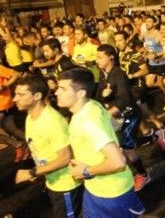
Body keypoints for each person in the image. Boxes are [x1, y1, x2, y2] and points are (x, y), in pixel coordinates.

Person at [56, 68, 145, 217]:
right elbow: (115, 124)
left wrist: (85, 171)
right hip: (94, 189)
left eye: (63, 89)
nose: (57, 92)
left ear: (80, 93)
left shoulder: (88, 121)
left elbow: (118, 162)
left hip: (112, 192)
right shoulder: (91, 105)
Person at [14, 76, 83, 217]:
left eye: (21, 94)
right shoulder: (30, 117)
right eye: (16, 94)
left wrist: (32, 172)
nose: (15, 99)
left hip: (66, 184)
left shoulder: (52, 121)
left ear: (37, 96)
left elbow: (65, 157)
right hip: (53, 181)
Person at [94, 44, 151, 192]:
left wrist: (107, 113)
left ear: (111, 58)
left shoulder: (118, 74)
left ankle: (143, 174)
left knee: (127, 148)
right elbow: (99, 95)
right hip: (115, 117)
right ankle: (127, 174)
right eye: (96, 57)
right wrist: (103, 98)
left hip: (129, 115)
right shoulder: (102, 73)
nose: (96, 60)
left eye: (100, 57)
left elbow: (125, 100)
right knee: (117, 149)